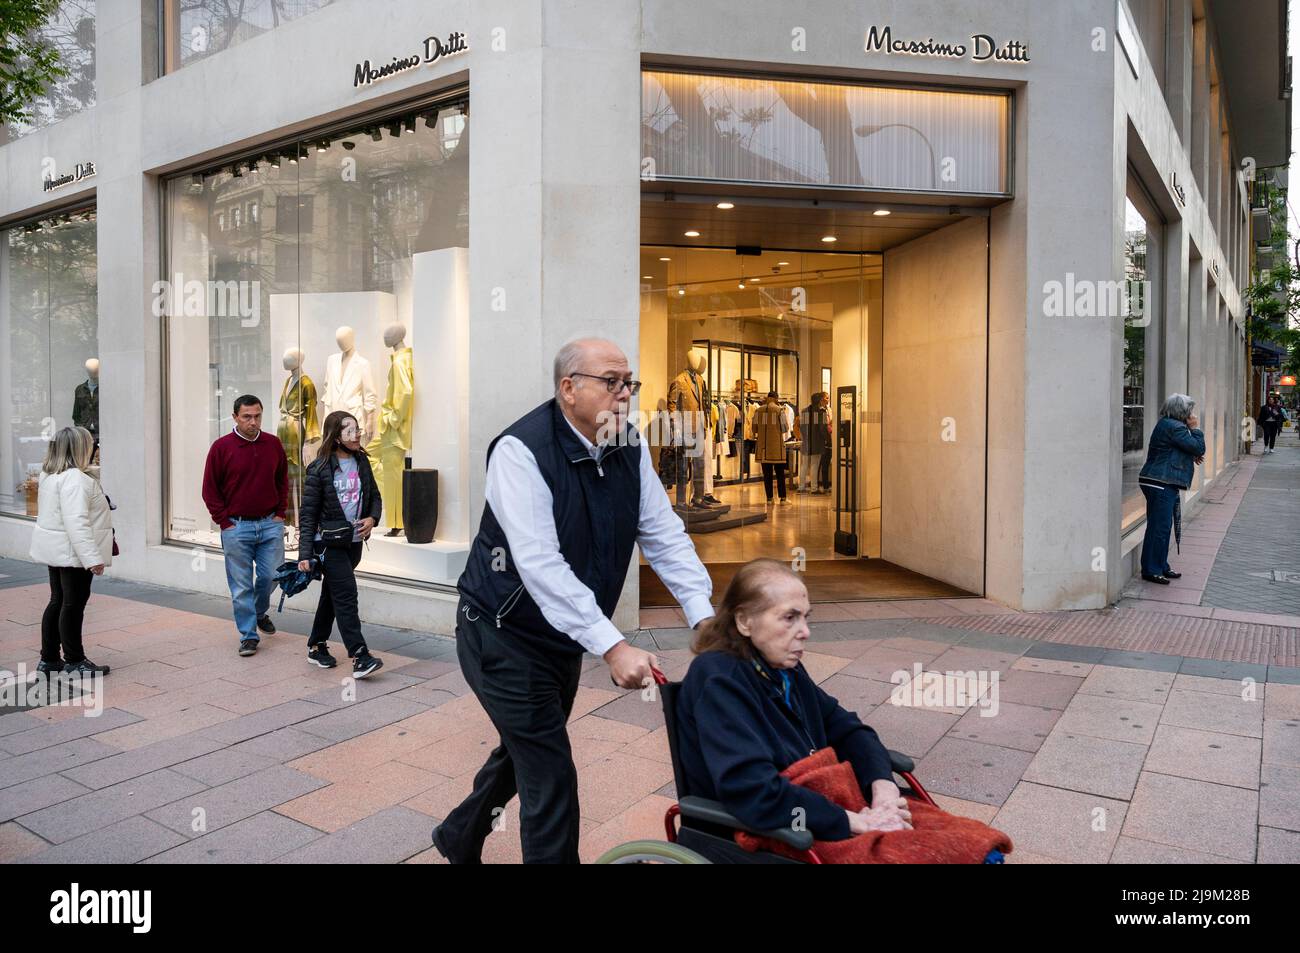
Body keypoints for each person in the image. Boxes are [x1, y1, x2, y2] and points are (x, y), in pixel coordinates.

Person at [432, 337, 714, 864]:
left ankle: (458, 834)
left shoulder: (628, 444)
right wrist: (612, 646)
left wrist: (702, 615)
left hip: (557, 637)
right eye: (612, 382)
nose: (625, 393)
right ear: (569, 389)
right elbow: (540, 566)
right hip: (501, 635)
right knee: (550, 772)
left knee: (527, 751)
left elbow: (661, 533)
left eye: (630, 382)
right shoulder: (520, 451)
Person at [677, 559, 912, 840]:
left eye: (805, 617)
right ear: (744, 621)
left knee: (958, 839)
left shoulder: (783, 669)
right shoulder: (719, 680)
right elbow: (751, 790)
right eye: (790, 618)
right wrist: (853, 821)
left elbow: (847, 728)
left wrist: (882, 786)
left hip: (820, 805)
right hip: (769, 833)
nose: (805, 631)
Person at [295, 411, 384, 678]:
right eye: (350, 431)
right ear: (336, 437)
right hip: (329, 544)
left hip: (354, 543)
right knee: (346, 595)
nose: (357, 435)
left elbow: (375, 497)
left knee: (332, 595)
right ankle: (360, 655)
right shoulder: (319, 469)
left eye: (357, 430)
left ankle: (316, 645)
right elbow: (308, 514)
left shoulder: (362, 462)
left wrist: (372, 518)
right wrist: (305, 553)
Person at [202, 394, 288, 656]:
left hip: (270, 524)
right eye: (247, 417)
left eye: (257, 416)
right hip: (237, 528)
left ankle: (259, 612)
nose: (253, 422)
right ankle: (248, 635)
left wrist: (280, 513)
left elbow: (283, 480)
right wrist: (224, 522)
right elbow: (210, 490)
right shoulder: (221, 447)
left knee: (274, 575)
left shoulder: (273, 444)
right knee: (240, 585)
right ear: (235, 417)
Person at [29, 426, 114, 677]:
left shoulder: (51, 474)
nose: (94, 447)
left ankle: (50, 659)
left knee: (58, 601)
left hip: (58, 550)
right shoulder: (76, 479)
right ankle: (75, 660)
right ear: (80, 448)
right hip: (73, 552)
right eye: (91, 444)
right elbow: (76, 521)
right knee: (72, 604)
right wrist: (92, 559)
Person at [1137, 394, 1205, 585]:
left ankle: (1160, 566)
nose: (1191, 414)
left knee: (1160, 527)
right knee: (1160, 527)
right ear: (1181, 411)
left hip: (1160, 480)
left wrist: (1189, 455)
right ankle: (1152, 570)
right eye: (1189, 410)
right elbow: (1199, 448)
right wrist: (1195, 429)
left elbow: (1173, 450)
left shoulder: (1167, 425)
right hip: (1160, 482)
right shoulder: (1176, 427)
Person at [753, 390, 790, 505]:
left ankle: (769, 499)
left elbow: (754, 429)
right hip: (776, 448)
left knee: (767, 474)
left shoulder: (758, 410)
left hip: (763, 449)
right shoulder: (779, 410)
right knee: (780, 474)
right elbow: (785, 428)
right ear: (776, 398)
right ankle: (783, 498)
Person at [798, 392, 832, 493]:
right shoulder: (821, 413)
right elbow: (822, 428)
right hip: (817, 442)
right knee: (814, 465)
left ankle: (801, 487)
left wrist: (805, 438)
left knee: (804, 465)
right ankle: (814, 488)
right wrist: (828, 439)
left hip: (806, 442)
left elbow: (802, 427)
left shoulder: (804, 411)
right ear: (819, 401)